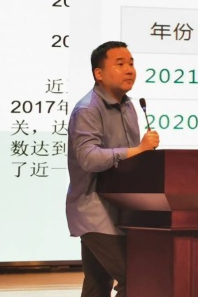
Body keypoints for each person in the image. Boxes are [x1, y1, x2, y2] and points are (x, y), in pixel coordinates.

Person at [66, 41, 160, 297]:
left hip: (121, 209)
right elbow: (88, 158)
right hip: (95, 211)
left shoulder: (129, 106)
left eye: (131, 63)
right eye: (120, 64)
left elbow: (133, 160)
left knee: (97, 284)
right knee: (136, 279)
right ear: (99, 73)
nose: (129, 69)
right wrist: (137, 150)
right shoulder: (87, 109)